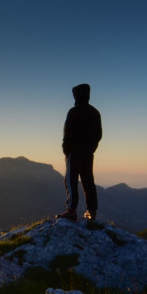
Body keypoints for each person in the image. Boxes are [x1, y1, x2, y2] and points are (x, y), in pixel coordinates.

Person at [57, 83, 102, 222]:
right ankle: (92, 211)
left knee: (71, 180)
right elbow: (99, 135)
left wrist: (66, 150)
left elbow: (67, 133)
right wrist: (91, 147)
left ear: (76, 96)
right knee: (88, 180)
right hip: (88, 153)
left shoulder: (73, 111)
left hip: (74, 152)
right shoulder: (95, 112)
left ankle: (71, 210)